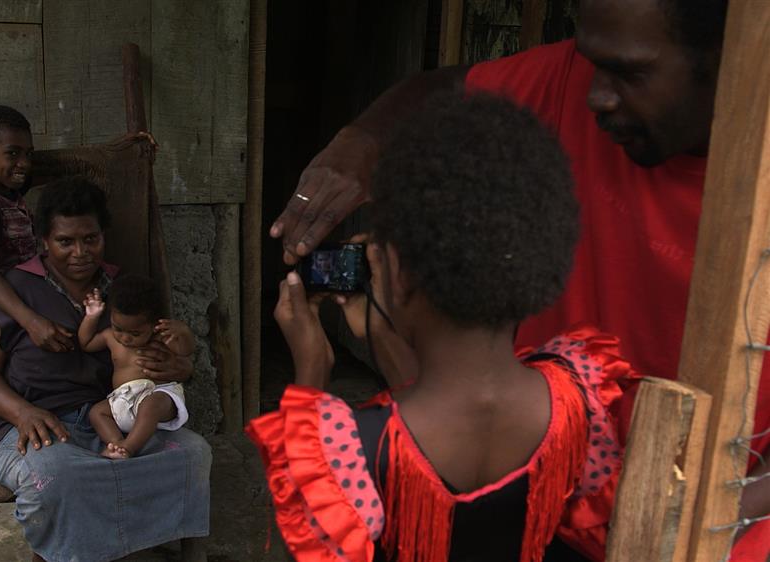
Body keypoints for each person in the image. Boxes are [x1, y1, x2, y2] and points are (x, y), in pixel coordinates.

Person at [269, 0, 770, 558]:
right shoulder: (583, 392)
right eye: (592, 63)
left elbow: (316, 527)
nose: (595, 96)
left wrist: (310, 376)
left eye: (629, 73)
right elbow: (444, 90)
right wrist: (356, 146)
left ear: (734, 57)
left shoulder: (354, 449)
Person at [249, 93, 638, 562]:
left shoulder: (345, 445)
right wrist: (381, 333)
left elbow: (315, 539)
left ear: (400, 273)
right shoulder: (584, 390)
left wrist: (311, 370)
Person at [0, 177, 210, 561]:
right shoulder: (16, 288)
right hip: (28, 423)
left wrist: (179, 363)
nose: (80, 252)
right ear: (44, 241)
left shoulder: (123, 290)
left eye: (90, 239)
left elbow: (164, 353)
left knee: (191, 453)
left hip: (109, 420)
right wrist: (23, 412)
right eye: (65, 241)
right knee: (57, 478)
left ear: (103, 236)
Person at [0, 104, 75, 354]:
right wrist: (30, 320)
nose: (24, 163)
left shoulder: (9, 191)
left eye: (29, 154)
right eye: (13, 153)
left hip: (30, 290)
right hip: (10, 303)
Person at [78, 275, 193, 459]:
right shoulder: (109, 337)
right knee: (97, 412)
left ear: (155, 325)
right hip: (123, 398)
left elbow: (184, 351)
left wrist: (184, 333)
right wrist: (92, 317)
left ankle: (130, 447)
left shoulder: (160, 338)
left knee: (151, 405)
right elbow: (86, 343)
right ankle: (117, 445)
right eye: (119, 329)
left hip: (158, 393)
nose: (125, 338)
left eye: (135, 333)